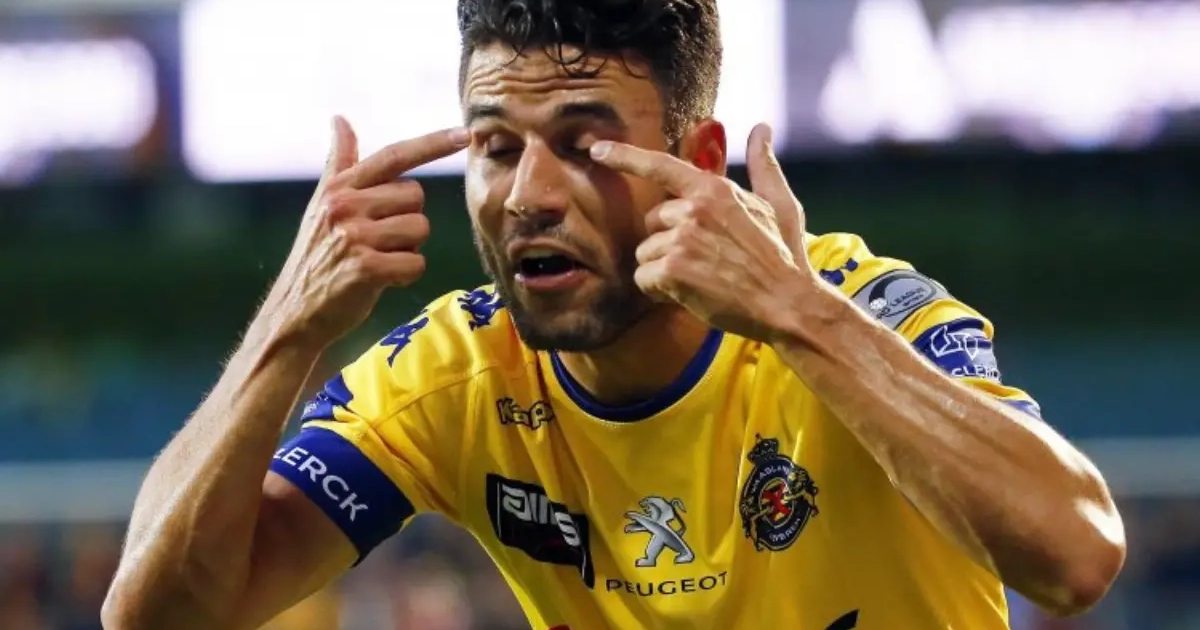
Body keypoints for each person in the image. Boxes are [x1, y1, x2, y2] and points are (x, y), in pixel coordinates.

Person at [102, 1, 1127, 629]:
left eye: (583, 143)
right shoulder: (458, 373)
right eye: (496, 147)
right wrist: (288, 328)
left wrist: (798, 316)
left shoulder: (852, 310)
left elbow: (1076, 558)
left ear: (700, 162)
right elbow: (155, 617)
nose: (527, 195)